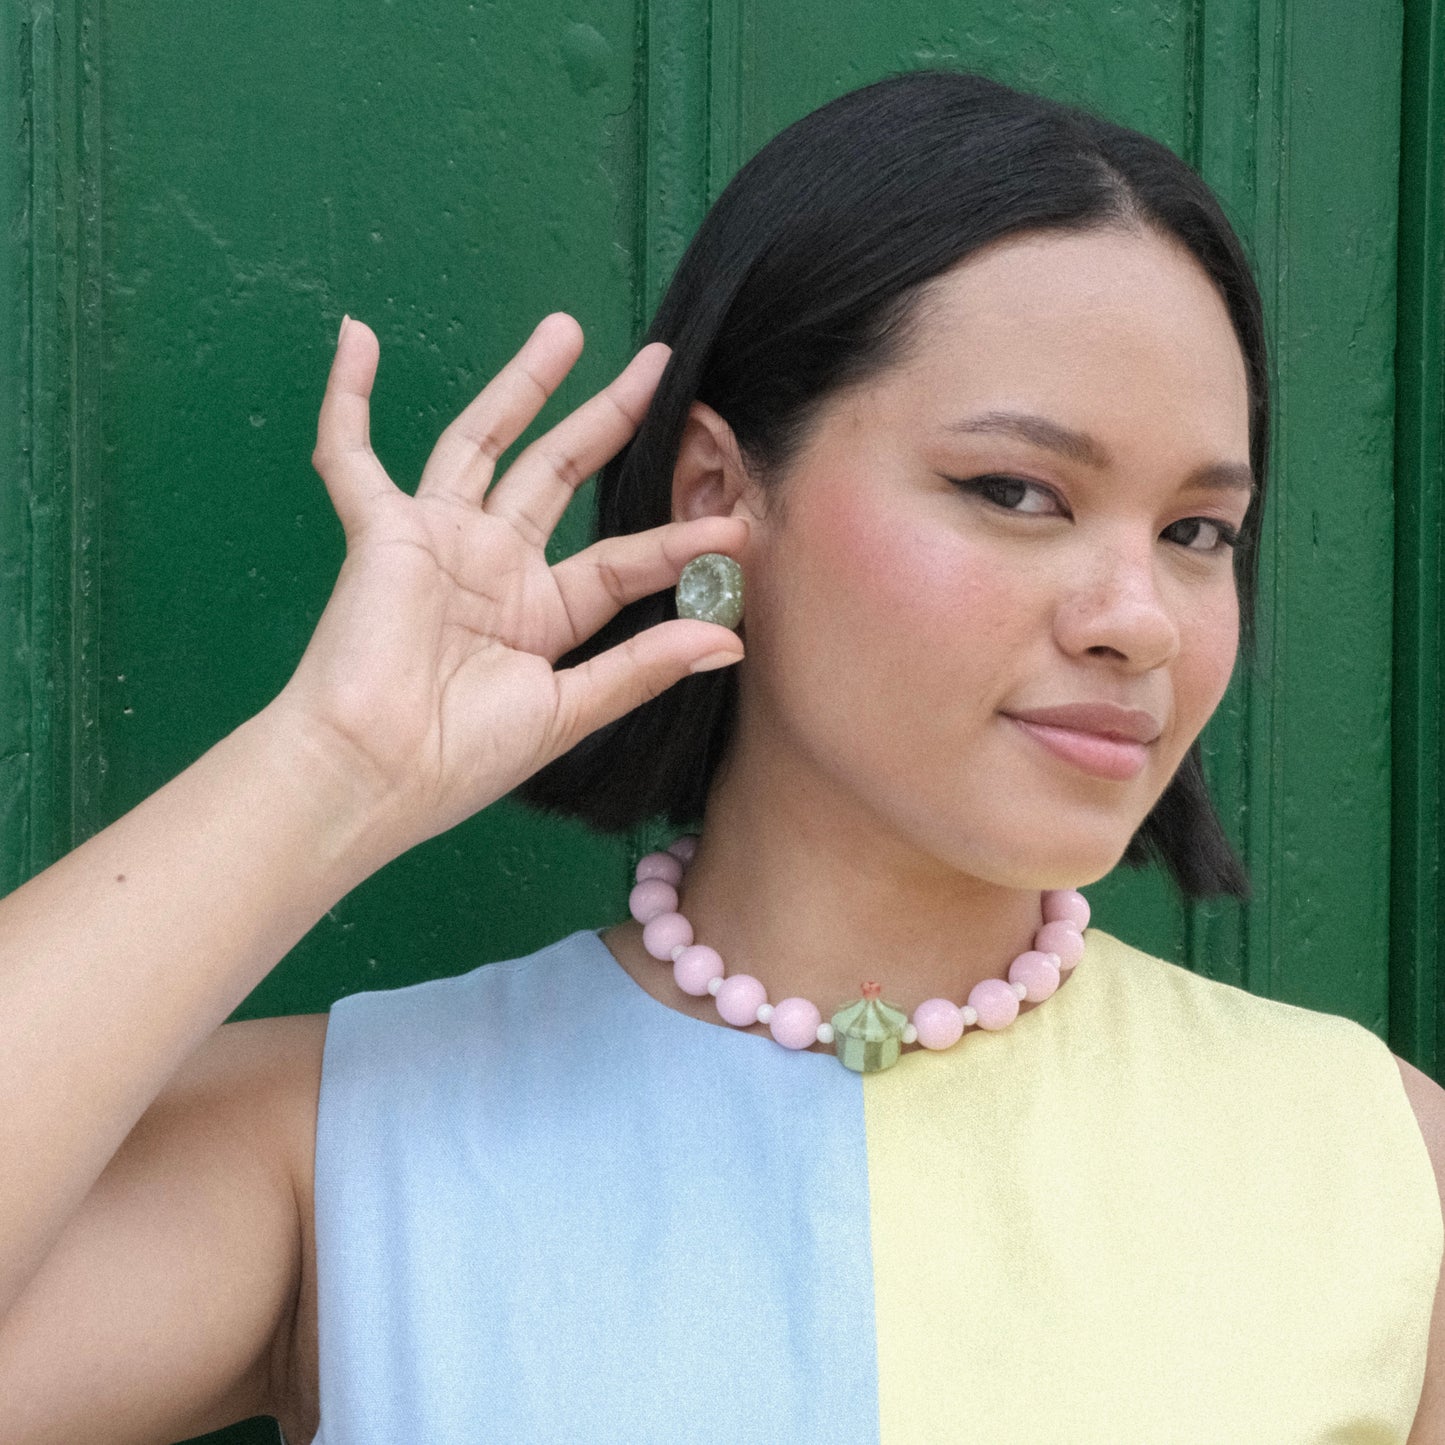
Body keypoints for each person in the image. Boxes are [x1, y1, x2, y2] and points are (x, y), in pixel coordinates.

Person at [0, 68, 1440, 1443]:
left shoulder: (1383, 1168)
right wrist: (333, 763)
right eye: (1015, 491)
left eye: (1196, 531)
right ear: (714, 499)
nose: (1140, 618)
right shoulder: (342, 1147)